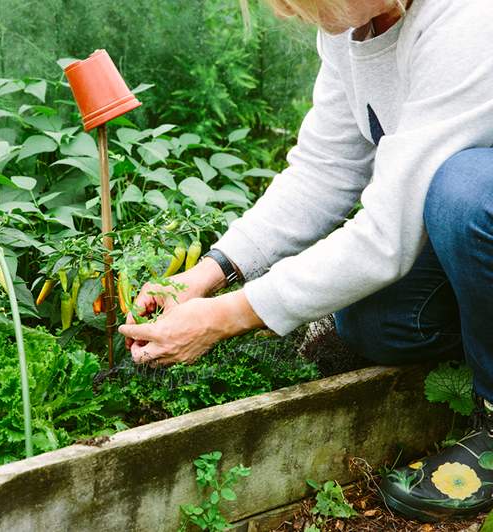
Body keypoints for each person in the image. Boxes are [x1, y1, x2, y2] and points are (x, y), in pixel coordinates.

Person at [118, 0, 493, 522]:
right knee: (374, 325)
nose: (287, 13)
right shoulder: (352, 27)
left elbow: (386, 237)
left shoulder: (469, 20)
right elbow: (325, 170)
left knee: (466, 194)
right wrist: (210, 272)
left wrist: (226, 318)